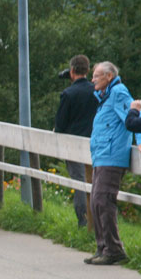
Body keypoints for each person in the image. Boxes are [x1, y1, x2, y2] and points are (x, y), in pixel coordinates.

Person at [85, 61, 133, 266]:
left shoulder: (119, 93)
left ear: (109, 77)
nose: (92, 79)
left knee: (103, 200)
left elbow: (135, 117)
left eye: (96, 76)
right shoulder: (104, 97)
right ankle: (103, 246)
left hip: (112, 156)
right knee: (96, 201)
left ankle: (114, 249)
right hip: (101, 155)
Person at [54, 54, 97, 227]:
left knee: (79, 182)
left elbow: (60, 124)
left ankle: (83, 220)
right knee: (95, 181)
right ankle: (97, 221)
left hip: (74, 145)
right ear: (88, 70)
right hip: (95, 143)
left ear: (72, 71)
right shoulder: (97, 90)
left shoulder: (68, 94)